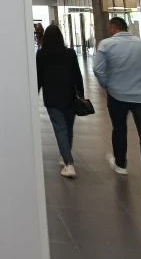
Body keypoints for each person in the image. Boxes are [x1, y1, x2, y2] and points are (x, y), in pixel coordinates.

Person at [93, 17, 141, 189]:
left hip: (117, 95)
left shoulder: (106, 45)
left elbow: (98, 69)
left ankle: (121, 164)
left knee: (119, 129)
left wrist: (107, 85)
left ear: (113, 28)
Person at [36, 25, 84, 178]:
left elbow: (38, 77)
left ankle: (69, 163)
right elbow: (77, 75)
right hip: (70, 96)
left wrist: (35, 93)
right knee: (68, 128)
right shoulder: (70, 53)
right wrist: (81, 93)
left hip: (52, 97)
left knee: (60, 129)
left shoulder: (41, 54)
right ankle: (65, 157)